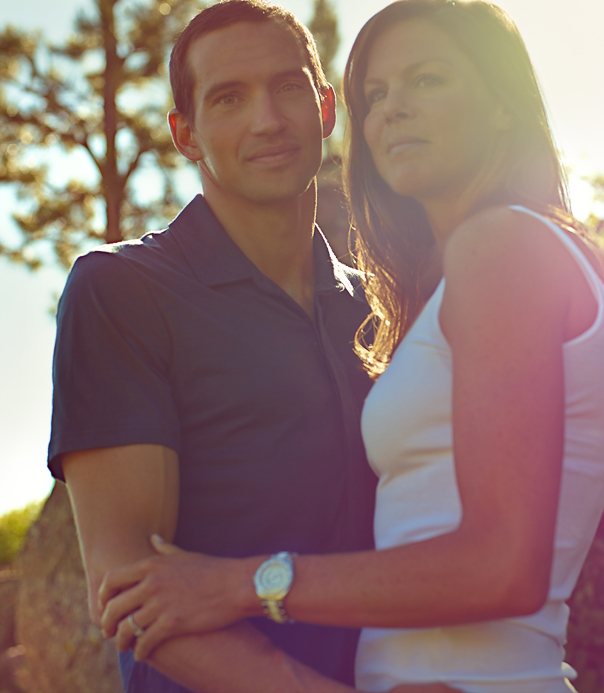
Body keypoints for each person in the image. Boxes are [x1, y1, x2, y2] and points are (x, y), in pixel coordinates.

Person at [98, 1, 604, 691]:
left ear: (503, 105)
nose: (393, 109)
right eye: (375, 94)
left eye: (427, 80)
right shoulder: (446, 279)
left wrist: (242, 583)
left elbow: (503, 565)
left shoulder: (498, 244)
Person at [49, 1, 385, 691]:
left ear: (324, 108)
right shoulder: (122, 290)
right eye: (229, 97)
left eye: (288, 86)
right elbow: (130, 594)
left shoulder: (380, 304)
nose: (267, 119)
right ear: (186, 134)